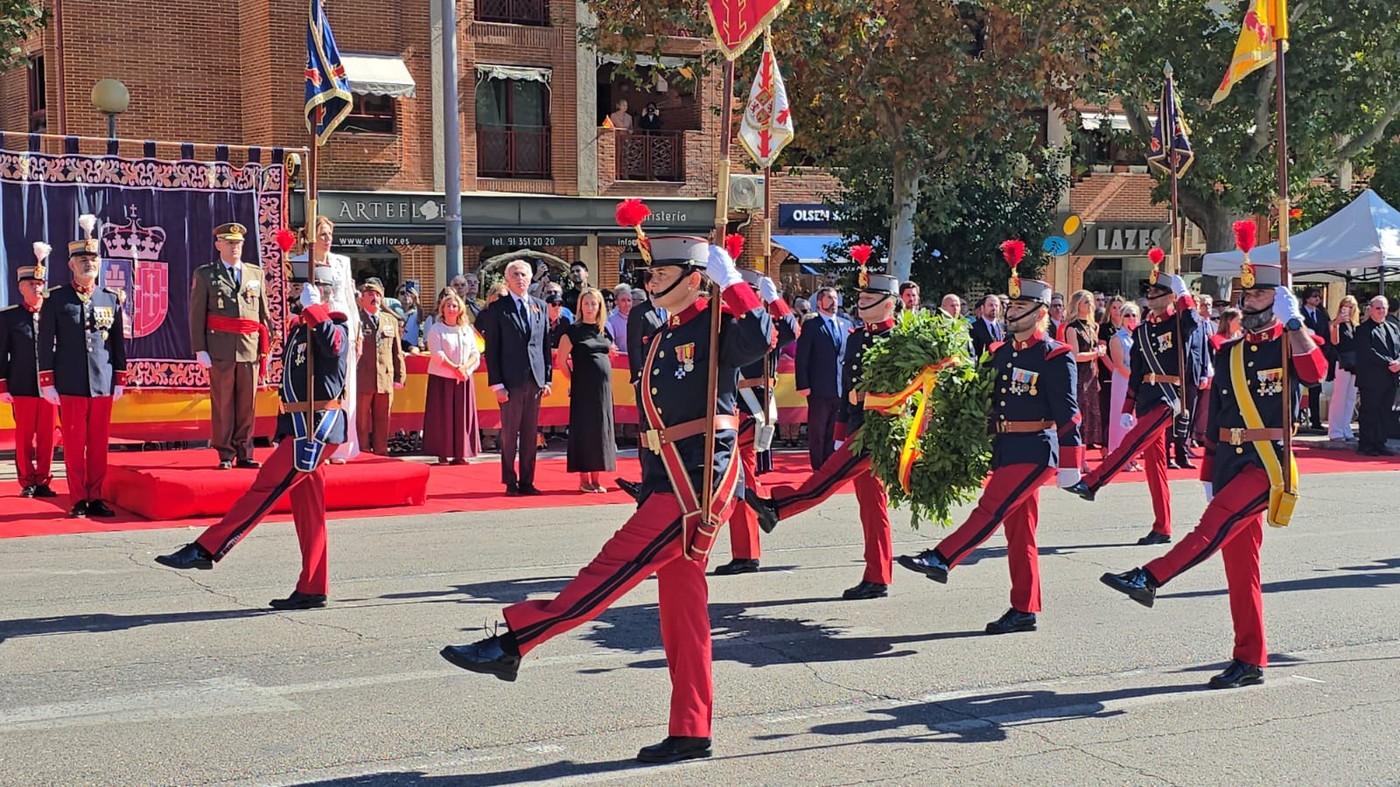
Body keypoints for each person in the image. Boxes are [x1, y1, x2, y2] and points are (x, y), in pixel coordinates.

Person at [440, 235, 771, 764]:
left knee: (608, 570)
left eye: (661, 275)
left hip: (698, 482)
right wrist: (650, 479)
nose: (651, 283)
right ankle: (691, 726)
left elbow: (762, 336)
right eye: (650, 274)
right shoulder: (665, 329)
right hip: (669, 477)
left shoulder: (717, 325)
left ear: (694, 279)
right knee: (682, 611)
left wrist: (732, 281)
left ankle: (516, 640)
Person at [1100, 262, 1326, 690]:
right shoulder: (1230, 352)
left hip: (1267, 464)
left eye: (1260, 295)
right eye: (1247, 296)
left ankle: (1149, 577)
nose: (1251, 302)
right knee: (1241, 570)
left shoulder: (1289, 344)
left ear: (1278, 299)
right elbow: (1218, 415)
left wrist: (1295, 322)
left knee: (1210, 527)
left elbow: (1316, 374)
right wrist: (1208, 469)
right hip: (1228, 462)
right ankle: (1250, 658)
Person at [155, 263, 351, 610]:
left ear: (323, 292)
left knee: (265, 487)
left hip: (315, 429)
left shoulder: (335, 325)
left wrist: (316, 311)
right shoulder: (303, 327)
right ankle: (312, 586)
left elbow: (334, 347)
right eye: (295, 289)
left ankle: (206, 549)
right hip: (299, 426)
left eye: (303, 289)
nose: (295, 294)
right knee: (309, 514)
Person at [898, 272, 1083, 634]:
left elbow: (1069, 413)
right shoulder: (1000, 353)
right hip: (1006, 448)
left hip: (1036, 449)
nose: (1011, 311)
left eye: (1020, 305)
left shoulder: (1055, 356)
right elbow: (980, 397)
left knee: (990, 508)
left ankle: (942, 557)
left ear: (1040, 312)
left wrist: (1071, 465)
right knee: (1020, 533)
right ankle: (1024, 608)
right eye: (1010, 305)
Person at [746, 274, 900, 600]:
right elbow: (848, 392)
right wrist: (841, 432)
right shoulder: (857, 337)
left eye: (868, 298)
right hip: (857, 425)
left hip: (879, 430)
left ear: (888, 304)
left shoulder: (899, 342)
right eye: (861, 296)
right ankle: (878, 576)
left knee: (827, 477)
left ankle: (778, 508)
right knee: (872, 506)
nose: (860, 302)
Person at [1065, 269, 1202, 545]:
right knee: (1155, 466)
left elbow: (1193, 322)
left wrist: (1185, 294)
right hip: (1148, 398)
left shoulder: (1178, 323)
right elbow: (1137, 371)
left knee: (1132, 442)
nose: (1151, 296)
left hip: (1169, 397)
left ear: (1170, 297)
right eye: (1149, 292)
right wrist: (1127, 408)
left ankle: (1094, 482)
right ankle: (1162, 527)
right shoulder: (1143, 331)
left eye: (1158, 293)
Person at [38, 217, 128, 517]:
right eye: (82, 260)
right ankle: (78, 498)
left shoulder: (110, 298)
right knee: (75, 444)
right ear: (71, 265)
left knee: (99, 444)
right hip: (70, 381)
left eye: (93, 259)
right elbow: (45, 343)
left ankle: (97, 496)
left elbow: (118, 343)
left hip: (102, 381)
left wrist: (120, 378)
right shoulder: (56, 299)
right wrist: (47, 381)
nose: (88, 264)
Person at [713, 269, 799, 576]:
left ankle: (745, 552)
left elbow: (791, 330)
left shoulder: (761, 326)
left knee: (736, 479)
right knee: (741, 478)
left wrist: (775, 301)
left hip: (747, 409)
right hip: (742, 407)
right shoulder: (732, 323)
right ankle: (745, 551)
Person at [189, 222, 271, 470]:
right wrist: (200, 349)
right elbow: (196, 314)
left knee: (247, 404)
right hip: (220, 347)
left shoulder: (255, 274)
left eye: (238, 243)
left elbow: (263, 313)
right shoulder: (205, 275)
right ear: (218, 245)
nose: (235, 247)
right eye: (229, 242)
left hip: (249, 347)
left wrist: (266, 346)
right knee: (223, 403)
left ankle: (245, 452)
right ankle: (225, 453)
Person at [483, 260, 553, 495]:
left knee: (531, 434)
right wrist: (497, 384)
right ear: (507, 279)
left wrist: (547, 379)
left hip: (535, 379)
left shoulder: (540, 306)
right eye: (515, 275)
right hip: (509, 381)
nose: (520, 278)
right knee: (510, 434)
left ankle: (527, 481)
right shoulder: (498, 308)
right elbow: (492, 349)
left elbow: (544, 345)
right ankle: (510, 481)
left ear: (531, 278)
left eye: (523, 274)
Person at [1, 251, 59, 499]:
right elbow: (1, 353)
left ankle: (43, 480)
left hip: (50, 387)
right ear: (20, 288)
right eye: (31, 284)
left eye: (39, 283)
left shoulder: (54, 315)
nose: (36, 288)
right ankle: (27, 481)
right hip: (22, 385)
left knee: (47, 436)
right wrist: (3, 386)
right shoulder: (9, 317)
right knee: (24, 436)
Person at [309, 217, 361, 464]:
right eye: (322, 234)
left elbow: (350, 298)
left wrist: (358, 332)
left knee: (345, 386)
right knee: (321, 386)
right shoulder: (303, 261)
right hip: (317, 328)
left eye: (330, 234)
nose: (327, 239)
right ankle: (319, 442)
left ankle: (341, 445)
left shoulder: (342, 262)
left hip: (343, 327)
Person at [556, 288, 617, 492]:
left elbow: (610, 351)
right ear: (580, 306)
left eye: (594, 304)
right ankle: (584, 479)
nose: (590, 307)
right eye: (586, 303)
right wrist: (574, 380)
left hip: (603, 389)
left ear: (600, 307)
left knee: (601, 430)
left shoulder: (603, 330)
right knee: (584, 430)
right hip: (583, 388)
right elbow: (561, 361)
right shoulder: (572, 331)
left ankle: (596, 478)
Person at [423, 291, 482, 465]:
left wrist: (464, 368)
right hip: (442, 379)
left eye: (454, 306)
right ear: (442, 308)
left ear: (460, 309)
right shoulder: (436, 329)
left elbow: (475, 353)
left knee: (462, 415)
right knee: (443, 416)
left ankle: (461, 453)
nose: (451, 308)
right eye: (448, 305)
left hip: (463, 378)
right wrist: (455, 368)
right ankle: (442, 452)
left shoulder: (467, 329)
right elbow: (438, 354)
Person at [795, 286, 849, 470]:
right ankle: (818, 467)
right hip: (818, 387)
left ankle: (830, 465)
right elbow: (802, 357)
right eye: (829, 298)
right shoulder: (812, 326)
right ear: (819, 303)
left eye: (835, 298)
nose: (834, 302)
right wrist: (803, 384)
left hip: (840, 387)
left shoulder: (845, 325)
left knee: (834, 430)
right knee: (818, 430)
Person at [355, 279, 406, 455]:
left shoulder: (390, 320)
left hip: (385, 376)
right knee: (361, 418)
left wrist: (400, 376)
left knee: (383, 417)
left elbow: (397, 350)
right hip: (362, 376)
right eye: (370, 294)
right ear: (362, 299)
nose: (374, 298)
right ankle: (363, 450)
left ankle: (381, 449)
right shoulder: (356, 319)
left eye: (378, 295)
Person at [1354, 295, 1400, 456]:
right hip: (1371, 378)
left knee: (1384, 412)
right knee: (1370, 411)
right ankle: (1366, 444)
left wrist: (1398, 362)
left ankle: (1380, 443)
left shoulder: (1393, 328)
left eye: (1384, 308)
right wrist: (1389, 363)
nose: (1381, 311)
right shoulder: (1362, 329)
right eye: (1378, 308)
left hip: (1391, 378)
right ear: (1371, 310)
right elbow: (1367, 352)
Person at [1063, 290, 1104, 464]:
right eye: (1085, 302)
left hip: (1091, 375)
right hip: (1079, 375)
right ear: (1077, 305)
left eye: (1090, 302)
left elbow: (1095, 353)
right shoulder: (1072, 328)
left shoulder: (1093, 326)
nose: (1090, 305)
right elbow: (1075, 355)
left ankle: (1084, 458)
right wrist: (1095, 353)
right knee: (1080, 416)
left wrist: (1097, 375)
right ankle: (1077, 459)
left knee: (1090, 417)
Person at [1106, 303, 1140, 468]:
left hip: (1137, 382)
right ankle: (1120, 456)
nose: (1131, 318)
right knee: (1121, 417)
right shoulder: (1117, 338)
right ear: (1122, 318)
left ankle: (1132, 455)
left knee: (1135, 419)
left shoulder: (1138, 336)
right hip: (1123, 381)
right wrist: (1134, 378)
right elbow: (1119, 364)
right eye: (1127, 315)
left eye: (1134, 315)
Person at [1326, 296, 1360, 441]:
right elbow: (1334, 342)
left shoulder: (1355, 325)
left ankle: (1346, 428)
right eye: (1345, 306)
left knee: (1350, 397)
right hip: (1341, 363)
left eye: (1351, 307)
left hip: (1354, 364)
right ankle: (1335, 431)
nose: (1348, 310)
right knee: (1339, 397)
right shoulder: (1335, 323)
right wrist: (1336, 324)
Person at [1299, 288, 1331, 433]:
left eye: (1319, 296)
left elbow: (1326, 335)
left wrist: (1324, 353)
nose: (1317, 298)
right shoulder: (1299, 313)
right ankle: (1294, 420)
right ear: (1307, 298)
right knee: (1298, 390)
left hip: (1318, 354)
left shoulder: (1321, 314)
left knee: (1316, 389)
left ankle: (1316, 421)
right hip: (1301, 355)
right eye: (1314, 296)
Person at [970, 294, 1003, 359]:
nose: (994, 308)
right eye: (991, 305)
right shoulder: (973, 328)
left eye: (996, 305)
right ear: (982, 308)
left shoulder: (1004, 327)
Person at [397, 280, 424, 352]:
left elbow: (421, 316)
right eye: (402, 293)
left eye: (409, 293)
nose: (406, 295)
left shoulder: (415, 313)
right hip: (398, 349)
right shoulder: (393, 312)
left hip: (412, 350)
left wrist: (417, 299)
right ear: (397, 296)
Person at [607, 283, 632, 351]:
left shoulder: (638, 319)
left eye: (629, 300)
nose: (627, 303)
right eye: (623, 300)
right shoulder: (611, 321)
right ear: (616, 302)